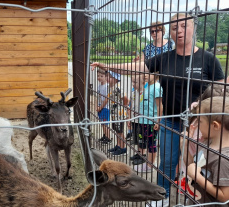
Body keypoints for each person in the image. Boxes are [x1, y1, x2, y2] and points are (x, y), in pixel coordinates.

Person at [91, 13, 225, 206]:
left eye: (183, 26)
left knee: (203, 166)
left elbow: (220, 93)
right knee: (167, 163)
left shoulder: (208, 59)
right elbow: (135, 68)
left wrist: (204, 108)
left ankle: (199, 199)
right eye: (173, 28)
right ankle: (162, 198)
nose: (178, 31)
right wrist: (107, 66)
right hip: (171, 120)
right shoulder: (164, 58)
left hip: (200, 124)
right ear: (168, 32)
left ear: (193, 27)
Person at [187, 96, 229, 205]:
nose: (196, 125)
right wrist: (186, 145)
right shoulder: (207, 143)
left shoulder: (223, 159)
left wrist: (197, 177)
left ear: (215, 125)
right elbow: (193, 166)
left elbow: (225, 197)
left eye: (200, 121)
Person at [133, 74, 163, 172]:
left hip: (151, 121)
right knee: (146, 142)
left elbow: (159, 106)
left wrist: (158, 121)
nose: (145, 75)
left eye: (149, 73)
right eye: (144, 73)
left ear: (157, 75)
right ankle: (147, 163)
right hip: (144, 120)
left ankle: (150, 166)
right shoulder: (147, 86)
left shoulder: (157, 87)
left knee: (151, 144)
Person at [100, 71, 129, 156]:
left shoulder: (118, 87)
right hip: (114, 113)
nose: (107, 78)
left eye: (109, 76)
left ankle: (123, 148)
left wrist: (123, 106)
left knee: (120, 131)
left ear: (116, 78)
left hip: (119, 113)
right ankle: (118, 145)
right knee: (116, 130)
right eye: (107, 76)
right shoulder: (110, 87)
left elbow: (125, 98)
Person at [95, 70, 111, 144]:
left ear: (106, 77)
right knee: (102, 123)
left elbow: (106, 99)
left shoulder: (107, 86)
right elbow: (98, 96)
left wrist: (100, 107)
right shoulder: (99, 86)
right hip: (100, 107)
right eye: (98, 76)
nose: (99, 78)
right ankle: (105, 135)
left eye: (101, 76)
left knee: (105, 123)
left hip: (105, 107)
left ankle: (108, 138)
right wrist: (97, 106)